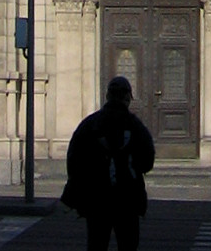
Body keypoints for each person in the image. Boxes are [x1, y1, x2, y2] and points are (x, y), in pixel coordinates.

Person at [63, 75, 156, 251]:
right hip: (127, 197)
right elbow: (147, 161)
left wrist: (78, 190)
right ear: (128, 98)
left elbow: (74, 160)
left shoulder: (90, 124)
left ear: (107, 96)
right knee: (128, 244)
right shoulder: (135, 126)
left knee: (97, 243)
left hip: (97, 197)